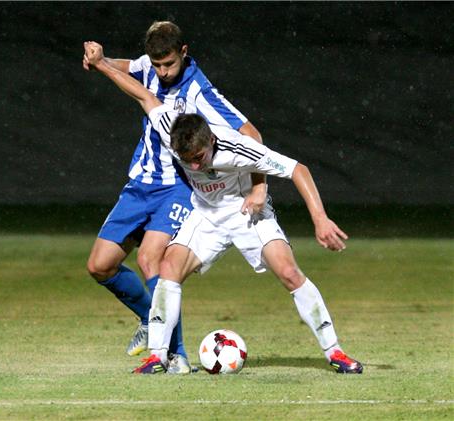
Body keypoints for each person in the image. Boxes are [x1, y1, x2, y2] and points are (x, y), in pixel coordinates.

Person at [84, 41, 363, 375]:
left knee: (289, 272)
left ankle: (335, 352)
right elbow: (144, 96)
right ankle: (159, 356)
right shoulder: (171, 128)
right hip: (205, 214)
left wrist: (318, 218)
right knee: (167, 268)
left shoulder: (234, 146)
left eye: (200, 159)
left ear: (211, 143)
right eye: (188, 161)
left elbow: (298, 170)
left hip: (247, 213)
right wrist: (102, 65)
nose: (196, 167)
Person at [83, 22, 267, 374]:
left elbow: (250, 133)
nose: (162, 72)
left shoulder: (198, 91)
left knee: (151, 260)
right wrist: (102, 59)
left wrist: (258, 184)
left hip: (178, 188)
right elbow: (133, 68)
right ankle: (151, 321)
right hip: (140, 183)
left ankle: (176, 355)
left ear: (184, 53)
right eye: (157, 66)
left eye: (169, 64)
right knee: (99, 265)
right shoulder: (151, 67)